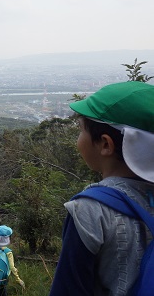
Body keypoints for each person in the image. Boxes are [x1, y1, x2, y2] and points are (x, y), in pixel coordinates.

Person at [49, 81, 154, 296]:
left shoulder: (90, 210)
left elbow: (68, 289)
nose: (78, 139)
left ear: (106, 144)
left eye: (80, 131)